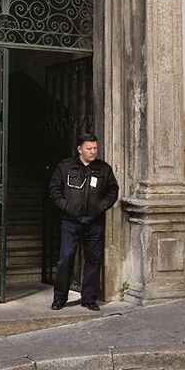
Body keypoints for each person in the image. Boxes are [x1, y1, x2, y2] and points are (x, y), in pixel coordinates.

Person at [48, 133, 119, 311]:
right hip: (70, 223)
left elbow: (113, 191)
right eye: (89, 148)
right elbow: (54, 190)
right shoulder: (65, 167)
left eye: (95, 148)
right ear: (80, 149)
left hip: (94, 223)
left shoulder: (104, 169)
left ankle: (89, 299)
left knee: (93, 260)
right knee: (65, 259)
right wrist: (67, 208)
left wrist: (101, 207)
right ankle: (60, 298)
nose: (93, 151)